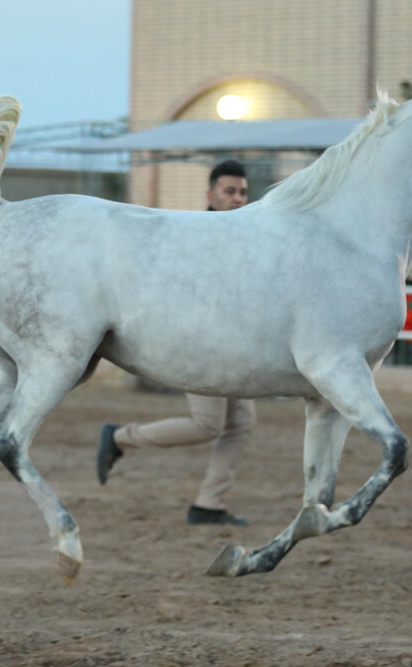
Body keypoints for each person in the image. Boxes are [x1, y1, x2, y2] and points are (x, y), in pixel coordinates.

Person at [96, 159, 255, 526]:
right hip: (202, 342)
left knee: (241, 422)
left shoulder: (246, 235)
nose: (237, 199)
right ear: (211, 195)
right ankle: (120, 438)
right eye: (229, 192)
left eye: (243, 192)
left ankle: (209, 504)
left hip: (234, 345)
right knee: (208, 425)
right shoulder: (197, 234)